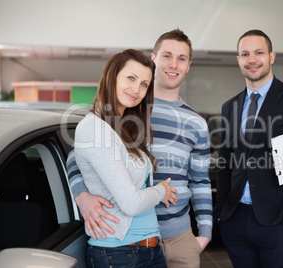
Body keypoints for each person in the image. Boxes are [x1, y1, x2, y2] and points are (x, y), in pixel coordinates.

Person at [67, 29, 212, 268]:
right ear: (153, 60)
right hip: (128, 240)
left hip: (180, 239)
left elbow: (200, 180)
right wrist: (81, 195)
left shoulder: (196, 122)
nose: (173, 64)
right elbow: (77, 155)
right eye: (167, 55)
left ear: (189, 65)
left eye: (182, 58)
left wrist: (204, 233)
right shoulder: (127, 108)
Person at [213, 29, 283, 268]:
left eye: (259, 52)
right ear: (238, 60)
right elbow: (225, 164)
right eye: (245, 54)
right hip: (236, 220)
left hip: (277, 222)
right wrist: (222, 213)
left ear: (271, 56)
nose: (252, 59)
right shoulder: (229, 106)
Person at [73, 49, 179, 268]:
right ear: (112, 77)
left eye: (144, 84)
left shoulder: (123, 128)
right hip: (120, 253)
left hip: (146, 249)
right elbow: (130, 203)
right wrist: (161, 191)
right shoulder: (95, 128)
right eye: (131, 78)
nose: (137, 89)